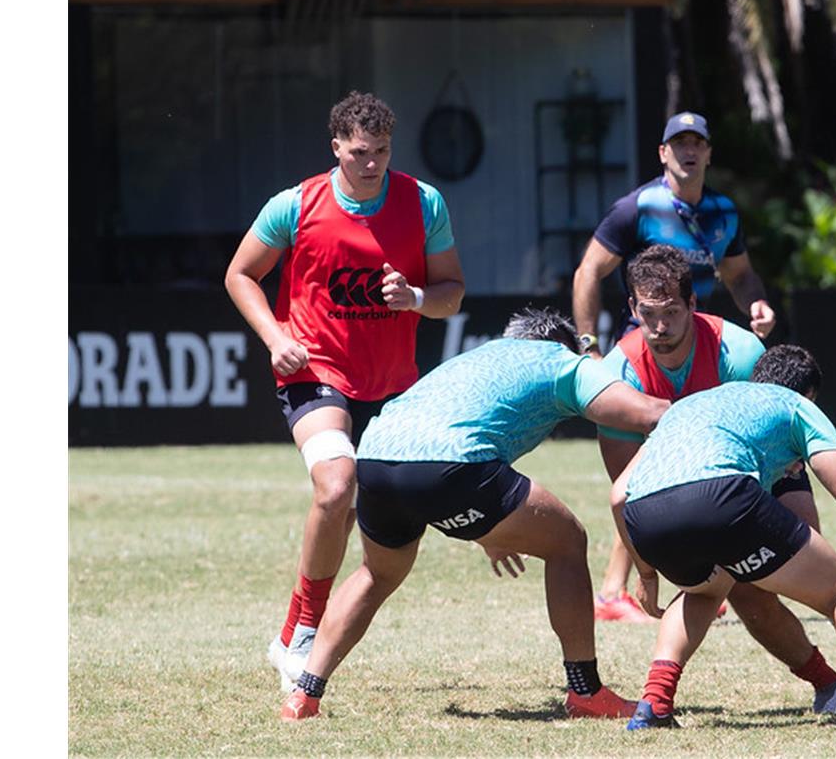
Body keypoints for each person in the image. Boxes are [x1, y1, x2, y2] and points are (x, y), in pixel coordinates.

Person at [279, 308, 671, 721]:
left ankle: (305, 693)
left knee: (375, 575)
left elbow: (467, 421)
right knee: (568, 542)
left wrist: (488, 530)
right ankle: (586, 692)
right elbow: (646, 412)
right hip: (450, 466)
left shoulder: (479, 356)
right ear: (562, 345)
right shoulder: (562, 361)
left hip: (375, 457)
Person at [224, 90, 466, 692]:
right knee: (337, 486)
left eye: (382, 152)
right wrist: (275, 336)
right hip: (315, 370)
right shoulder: (295, 205)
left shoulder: (423, 202)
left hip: (391, 387)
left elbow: (452, 292)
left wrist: (415, 298)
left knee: (398, 523)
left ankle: (292, 638)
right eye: (359, 152)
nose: (372, 164)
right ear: (336, 147)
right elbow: (239, 274)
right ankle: (302, 630)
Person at [612, 345, 836, 732]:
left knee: (704, 591)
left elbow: (619, 495)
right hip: (722, 496)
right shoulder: (795, 405)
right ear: (809, 395)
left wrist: (647, 574)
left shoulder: (691, 405)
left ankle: (653, 704)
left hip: (645, 516)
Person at [592, 245, 836, 717]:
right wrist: (646, 568)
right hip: (681, 492)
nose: (660, 328)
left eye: (671, 313)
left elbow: (775, 432)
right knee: (738, 587)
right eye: (648, 315)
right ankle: (831, 682)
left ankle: (657, 701)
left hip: (758, 473)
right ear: (631, 310)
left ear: (693, 305)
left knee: (797, 565)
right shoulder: (619, 375)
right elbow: (629, 486)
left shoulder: (738, 351)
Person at [571, 111, 776, 357]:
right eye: (680, 143)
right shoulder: (637, 208)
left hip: (696, 346)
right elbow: (587, 271)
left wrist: (757, 303)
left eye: (698, 143)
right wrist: (589, 346)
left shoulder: (723, 213)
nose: (689, 151)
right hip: (641, 345)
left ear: (708, 154)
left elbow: (740, 275)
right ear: (663, 153)